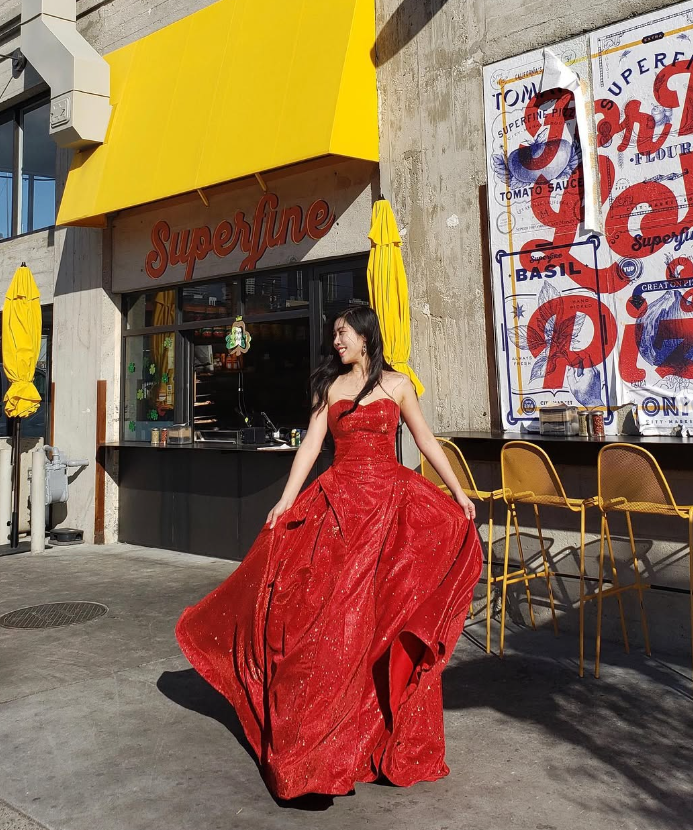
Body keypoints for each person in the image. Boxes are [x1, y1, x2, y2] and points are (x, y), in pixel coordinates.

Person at [176, 306, 482, 800]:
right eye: (335, 335)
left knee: (386, 617)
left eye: (342, 334)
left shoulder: (399, 384)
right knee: (332, 619)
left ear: (365, 337)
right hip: (340, 508)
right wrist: (285, 499)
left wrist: (458, 492)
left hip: (390, 509)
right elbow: (311, 446)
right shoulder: (328, 388)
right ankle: (319, 747)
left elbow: (424, 440)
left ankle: (378, 734)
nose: (335, 342)